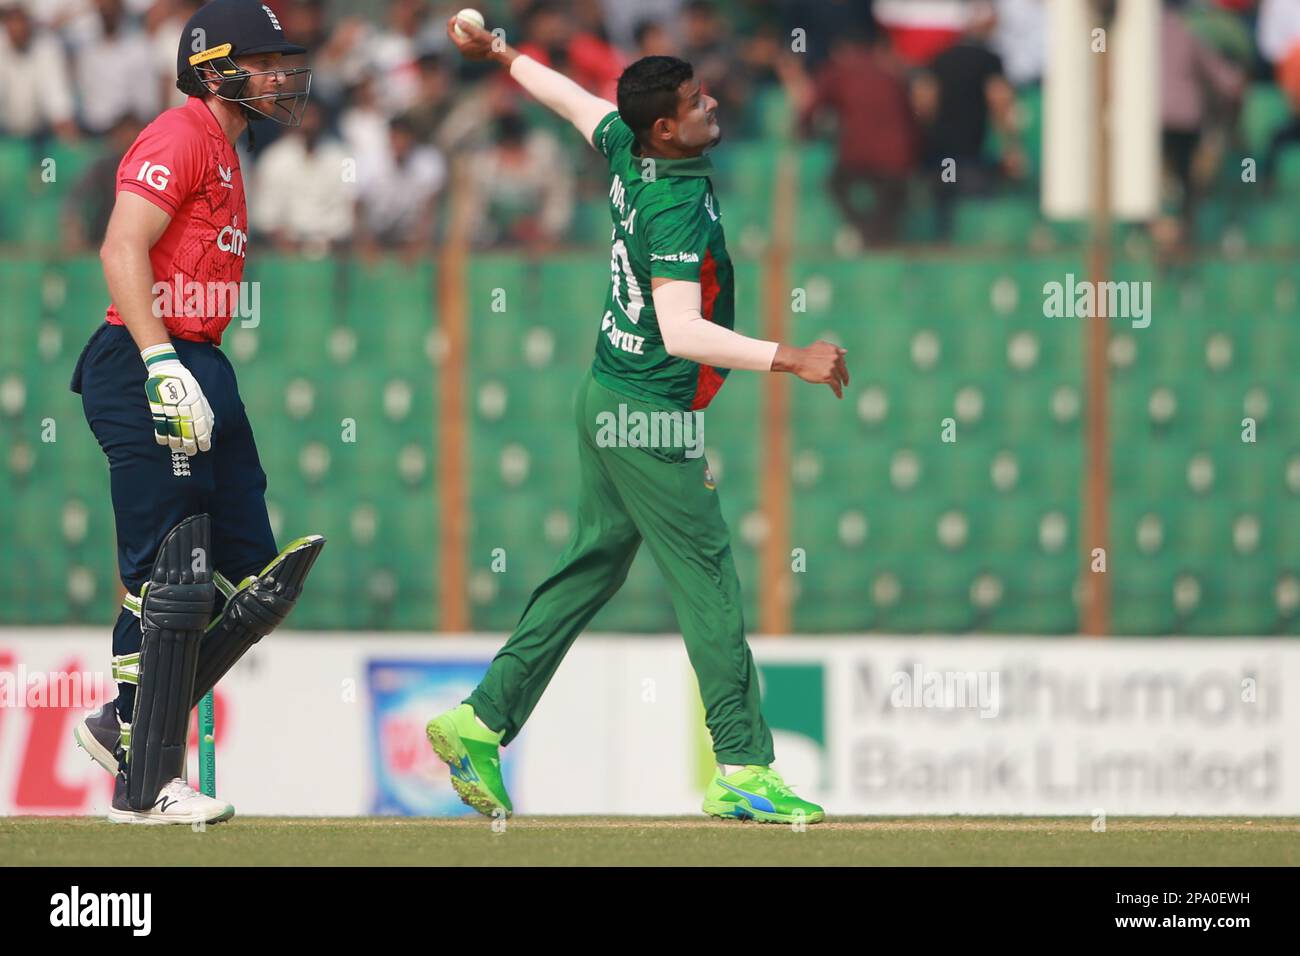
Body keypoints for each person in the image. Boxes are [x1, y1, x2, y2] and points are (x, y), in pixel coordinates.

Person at [425, 13, 848, 825]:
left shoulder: (627, 143)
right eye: (697, 101)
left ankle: (478, 720)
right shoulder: (676, 205)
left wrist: (503, 53)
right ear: (666, 127)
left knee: (594, 566)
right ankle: (743, 766)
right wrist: (790, 356)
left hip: (604, 393)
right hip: (650, 413)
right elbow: (681, 331)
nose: (711, 103)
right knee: (710, 580)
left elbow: (572, 100)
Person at [69, 0, 324, 826]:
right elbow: (120, 247)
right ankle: (144, 784)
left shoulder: (228, 151)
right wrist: (158, 364)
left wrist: (189, 367)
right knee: (170, 571)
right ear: (215, 70)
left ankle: (127, 725)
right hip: (147, 359)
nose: (281, 76)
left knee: (248, 581)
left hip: (201, 360)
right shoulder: (181, 135)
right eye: (264, 61)